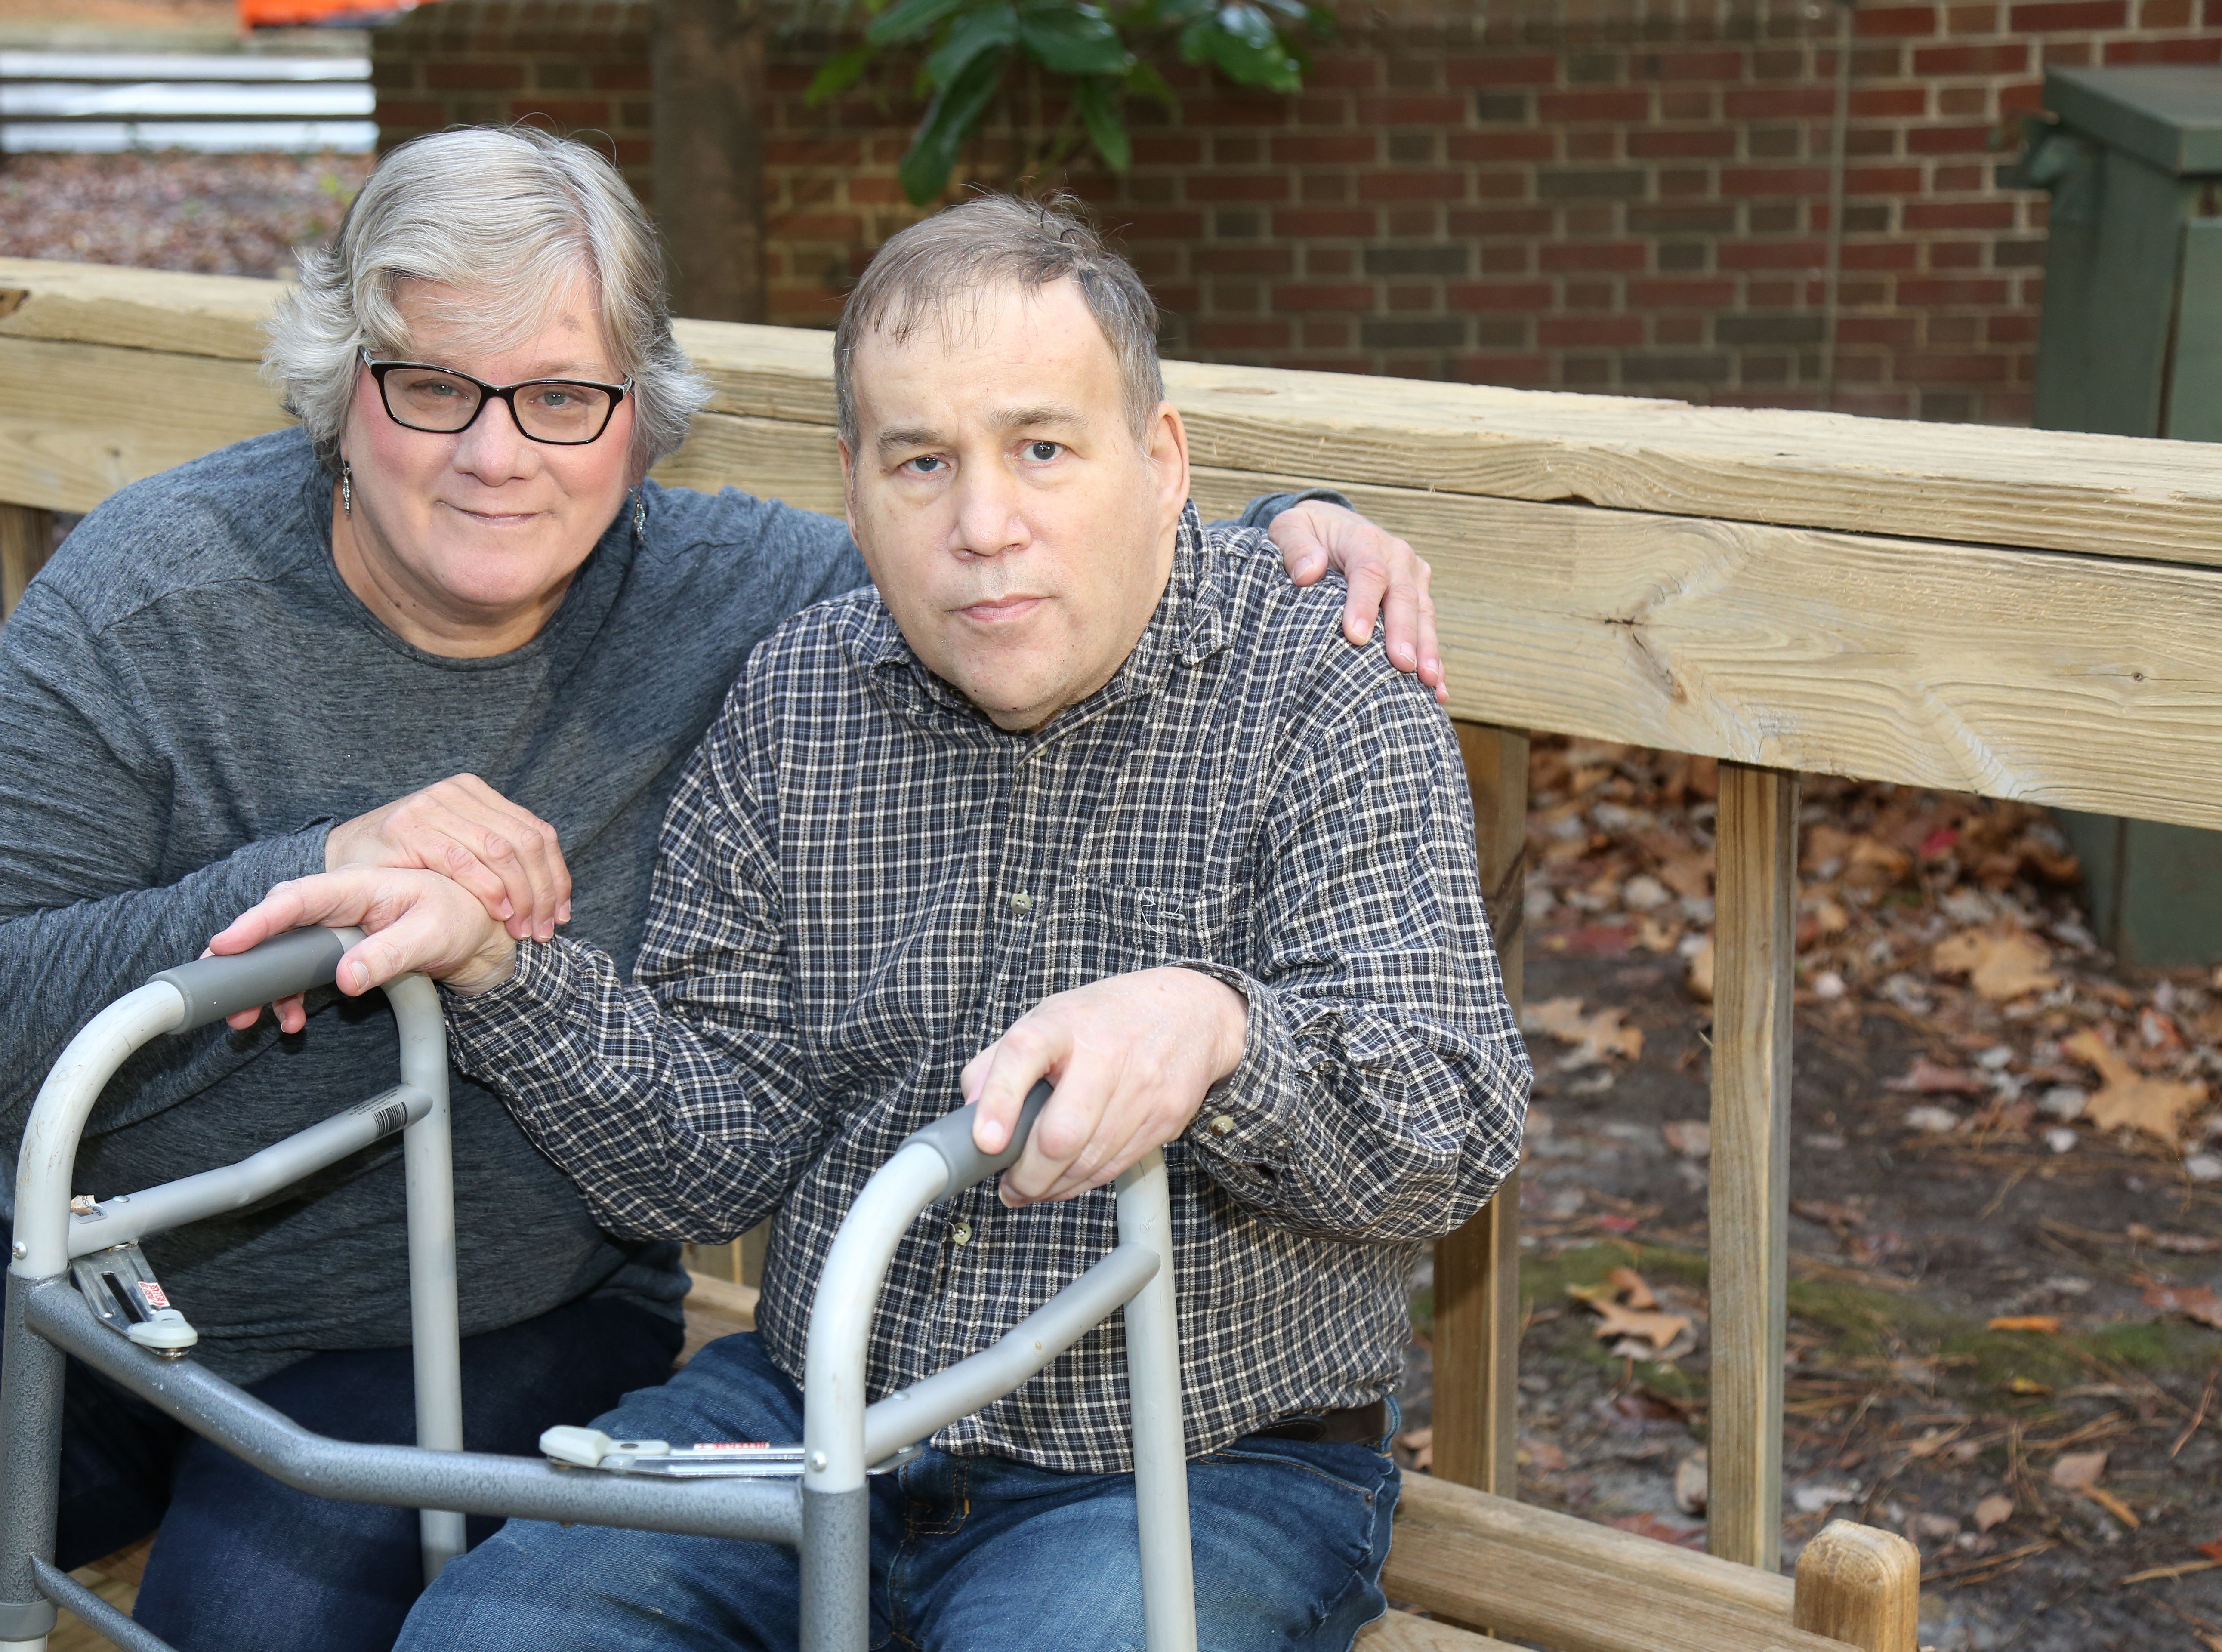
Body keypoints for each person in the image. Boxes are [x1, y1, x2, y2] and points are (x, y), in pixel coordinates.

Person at [0, 133, 1440, 1652]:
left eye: (564, 395)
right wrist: (294, 877)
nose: (500, 454)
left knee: (256, 1610)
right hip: (82, 1245)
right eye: (433, 386)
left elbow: (1008, 549)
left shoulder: (739, 595)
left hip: (495, 1310)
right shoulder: (156, 595)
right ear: (343, 385)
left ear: (640, 418)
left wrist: (1292, 532)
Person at [217, 194, 1531, 1652]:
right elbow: (712, 1162)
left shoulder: (1323, 691)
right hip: (818, 1405)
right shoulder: (800, 699)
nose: (984, 526)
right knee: (491, 1636)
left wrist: (1221, 1033)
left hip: (1196, 1453)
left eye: (1043, 447)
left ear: (1161, 463)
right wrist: (501, 974)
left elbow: (1449, 1119)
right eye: (923, 462)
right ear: (855, 490)